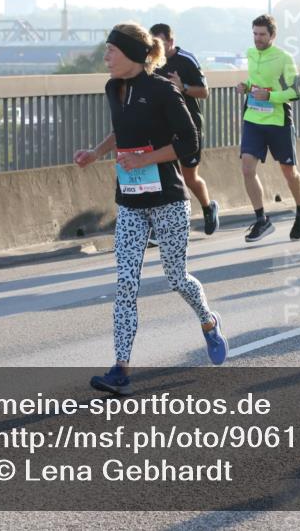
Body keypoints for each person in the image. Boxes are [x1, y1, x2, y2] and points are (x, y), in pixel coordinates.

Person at [74, 22, 227, 395]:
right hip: (130, 202)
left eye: (111, 50)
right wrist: (97, 152)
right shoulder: (114, 88)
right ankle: (121, 369)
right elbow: (121, 129)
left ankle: (208, 321)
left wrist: (148, 160)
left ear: (133, 55)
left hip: (168, 200)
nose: (105, 56)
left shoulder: (161, 90)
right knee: (126, 284)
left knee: (177, 278)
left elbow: (188, 142)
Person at [236, 14, 300, 243]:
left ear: (273, 36)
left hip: (278, 122)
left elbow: (298, 91)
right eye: (255, 34)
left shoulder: (284, 58)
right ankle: (261, 220)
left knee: (289, 172)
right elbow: (255, 81)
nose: (257, 39)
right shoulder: (251, 53)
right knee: (247, 169)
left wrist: (271, 96)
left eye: (262, 35)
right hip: (254, 119)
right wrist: (246, 86)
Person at [150, 23, 220, 235]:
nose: (156, 48)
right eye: (153, 43)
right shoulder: (150, 62)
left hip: (188, 127)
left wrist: (184, 88)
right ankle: (160, 225)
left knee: (189, 177)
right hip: (162, 128)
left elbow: (204, 92)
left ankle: (208, 208)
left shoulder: (186, 59)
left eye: (160, 43)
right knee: (162, 176)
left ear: (171, 42)